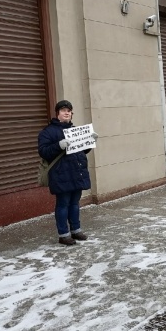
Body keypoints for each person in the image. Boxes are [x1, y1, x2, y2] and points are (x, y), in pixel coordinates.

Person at [38, 100, 98, 245]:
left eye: (69, 110)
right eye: (63, 110)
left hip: (76, 173)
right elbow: (44, 151)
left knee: (75, 203)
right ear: (57, 113)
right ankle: (63, 234)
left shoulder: (75, 130)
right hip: (61, 174)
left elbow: (82, 151)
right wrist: (59, 145)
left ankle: (76, 230)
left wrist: (89, 141)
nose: (67, 113)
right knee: (63, 204)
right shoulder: (48, 132)